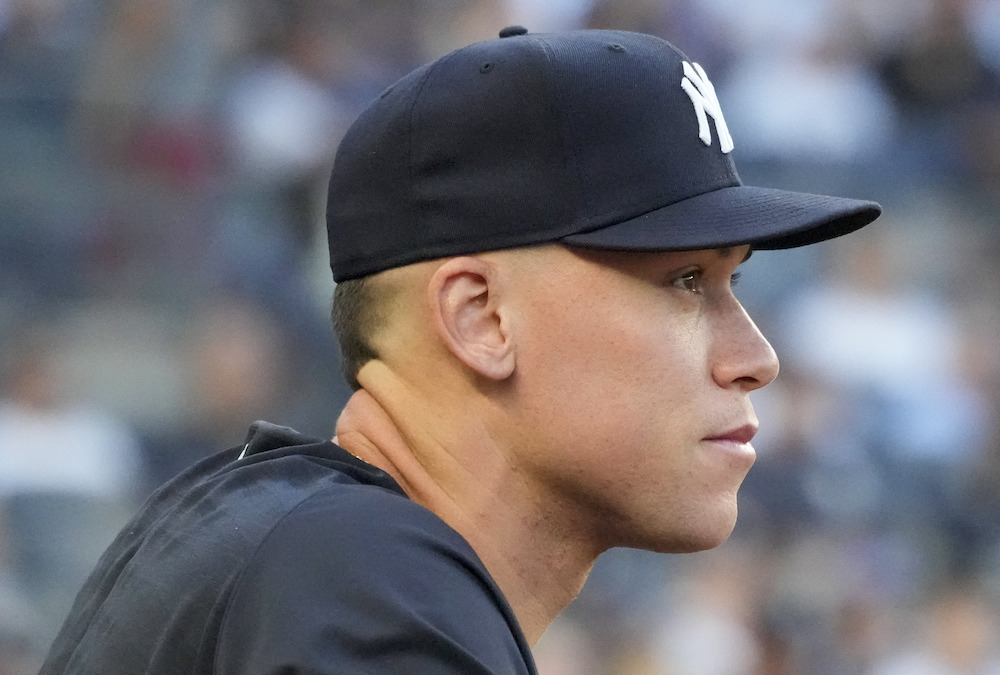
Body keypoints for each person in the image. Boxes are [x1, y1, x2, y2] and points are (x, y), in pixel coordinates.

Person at [40, 26, 881, 674]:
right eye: (686, 280)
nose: (757, 356)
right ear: (482, 318)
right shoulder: (368, 583)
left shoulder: (294, 537)